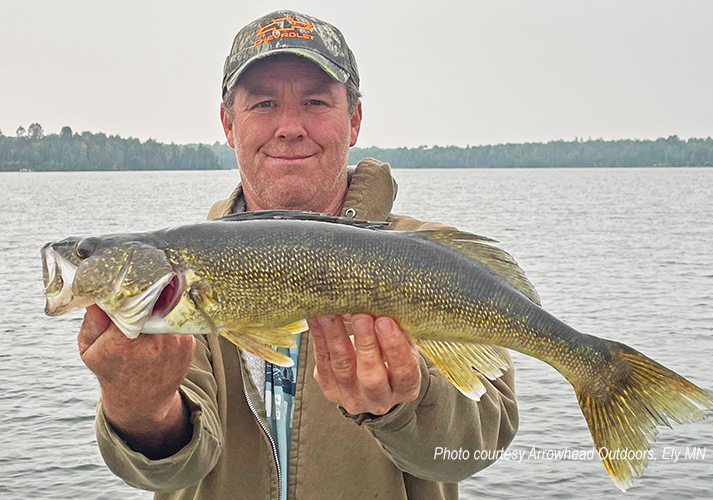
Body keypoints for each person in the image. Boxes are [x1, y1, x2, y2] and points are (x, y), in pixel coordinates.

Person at [78, 10, 519, 500]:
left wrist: (402, 409)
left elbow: (477, 445)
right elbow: (168, 474)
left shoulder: (432, 257)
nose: (289, 127)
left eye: (315, 102)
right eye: (264, 103)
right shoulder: (182, 277)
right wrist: (140, 411)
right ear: (228, 124)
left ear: (353, 121)